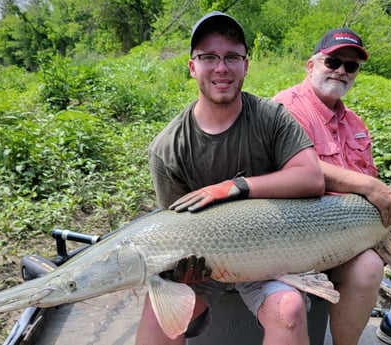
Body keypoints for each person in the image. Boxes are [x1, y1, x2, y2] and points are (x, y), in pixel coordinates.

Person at [135, 11, 325, 345]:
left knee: (289, 309)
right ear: (192, 66)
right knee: (157, 319)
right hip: (206, 267)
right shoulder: (168, 147)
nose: (221, 68)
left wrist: (237, 187)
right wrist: (179, 269)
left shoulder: (271, 117)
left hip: (269, 253)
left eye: (232, 57)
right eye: (209, 57)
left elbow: (311, 178)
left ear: (246, 65)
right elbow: (172, 229)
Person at [273, 28, 391, 345]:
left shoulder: (355, 123)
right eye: (333, 62)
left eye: (350, 67)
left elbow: (372, 181)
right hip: (310, 231)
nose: (341, 71)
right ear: (311, 65)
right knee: (367, 266)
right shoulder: (285, 108)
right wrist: (369, 187)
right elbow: (296, 167)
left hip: (360, 223)